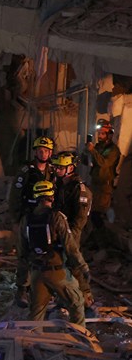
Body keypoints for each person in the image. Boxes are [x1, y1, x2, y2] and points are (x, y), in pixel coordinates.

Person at [15, 181, 89, 327]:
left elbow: (22, 255)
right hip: (58, 273)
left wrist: (22, 285)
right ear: (51, 196)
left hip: (37, 274)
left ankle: (32, 345)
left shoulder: (26, 220)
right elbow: (71, 247)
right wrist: (83, 267)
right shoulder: (57, 217)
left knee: (36, 314)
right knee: (77, 305)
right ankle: (78, 340)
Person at [51, 151, 94, 311]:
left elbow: (79, 220)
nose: (56, 170)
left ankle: (86, 297)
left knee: (74, 264)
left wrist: (70, 238)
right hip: (60, 231)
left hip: (71, 233)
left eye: (60, 167)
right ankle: (64, 297)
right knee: (61, 264)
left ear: (70, 168)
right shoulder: (61, 185)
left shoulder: (79, 190)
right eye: (56, 167)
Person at [9, 136, 55, 223]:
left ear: (50, 153)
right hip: (28, 215)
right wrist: (15, 220)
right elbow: (14, 197)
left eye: (46, 151)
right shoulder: (26, 171)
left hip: (47, 216)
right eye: (40, 151)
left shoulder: (53, 172)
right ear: (35, 152)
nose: (43, 154)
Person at [86, 120, 120, 229]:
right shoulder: (97, 147)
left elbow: (104, 163)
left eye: (103, 133)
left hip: (104, 186)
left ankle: (103, 242)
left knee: (98, 215)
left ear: (109, 135)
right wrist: (86, 152)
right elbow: (87, 162)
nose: (100, 136)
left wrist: (93, 151)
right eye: (99, 133)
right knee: (91, 214)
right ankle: (96, 241)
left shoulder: (113, 149)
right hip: (94, 185)